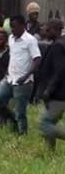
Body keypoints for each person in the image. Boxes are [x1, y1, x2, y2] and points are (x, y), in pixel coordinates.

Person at [0, 15, 41, 135]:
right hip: (9, 79)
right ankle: (12, 119)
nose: (12, 30)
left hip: (24, 82)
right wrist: (8, 70)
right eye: (11, 27)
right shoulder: (11, 38)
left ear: (23, 26)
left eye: (15, 27)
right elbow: (14, 56)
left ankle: (22, 135)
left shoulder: (30, 40)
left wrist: (27, 75)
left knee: (20, 111)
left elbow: (37, 59)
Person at [39, 19, 65, 150]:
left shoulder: (58, 46)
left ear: (55, 30)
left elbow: (60, 70)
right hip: (58, 92)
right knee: (51, 122)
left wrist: (49, 90)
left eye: (48, 29)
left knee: (45, 124)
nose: (45, 31)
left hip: (58, 93)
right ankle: (50, 152)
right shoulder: (59, 43)